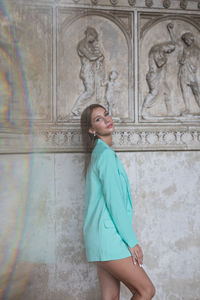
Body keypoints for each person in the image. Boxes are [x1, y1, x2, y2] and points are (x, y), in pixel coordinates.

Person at [81, 103, 155, 300]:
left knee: (111, 297)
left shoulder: (100, 153)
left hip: (99, 239)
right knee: (146, 290)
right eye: (98, 119)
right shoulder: (104, 156)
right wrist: (132, 242)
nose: (106, 119)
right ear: (91, 129)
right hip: (108, 238)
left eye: (106, 114)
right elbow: (115, 203)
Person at [72, 27, 105, 116]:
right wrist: (98, 57)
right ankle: (75, 108)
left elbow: (100, 56)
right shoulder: (82, 45)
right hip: (86, 70)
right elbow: (91, 57)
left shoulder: (90, 45)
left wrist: (99, 57)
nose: (94, 40)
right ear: (89, 35)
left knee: (94, 90)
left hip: (93, 70)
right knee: (90, 91)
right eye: (94, 37)